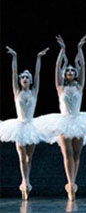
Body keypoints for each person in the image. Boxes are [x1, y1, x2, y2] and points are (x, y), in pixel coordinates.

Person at [37, 35, 86, 201]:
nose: (69, 71)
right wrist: (62, 50)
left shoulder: (79, 86)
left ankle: (73, 183)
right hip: (63, 121)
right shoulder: (60, 87)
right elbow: (56, 68)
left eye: (72, 71)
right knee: (67, 154)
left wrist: (80, 50)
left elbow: (83, 66)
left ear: (75, 75)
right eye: (67, 70)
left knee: (76, 155)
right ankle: (70, 185)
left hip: (78, 121)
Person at [0, 46, 49, 200]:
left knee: (29, 157)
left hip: (32, 125)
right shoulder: (17, 91)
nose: (25, 79)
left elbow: (38, 73)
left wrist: (39, 58)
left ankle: (27, 181)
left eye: (27, 77)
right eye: (23, 77)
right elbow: (13, 73)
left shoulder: (34, 91)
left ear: (30, 80)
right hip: (20, 125)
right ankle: (25, 181)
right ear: (20, 80)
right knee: (22, 156)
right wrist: (14, 57)